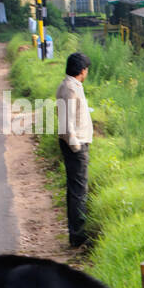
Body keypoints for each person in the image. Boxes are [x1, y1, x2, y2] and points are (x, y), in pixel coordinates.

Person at [56, 52, 93, 248]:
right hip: (75, 144)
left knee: (74, 189)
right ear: (82, 70)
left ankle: (75, 232)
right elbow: (67, 120)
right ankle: (78, 235)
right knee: (79, 190)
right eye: (86, 69)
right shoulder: (71, 88)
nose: (86, 73)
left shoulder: (68, 85)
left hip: (72, 143)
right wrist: (76, 146)